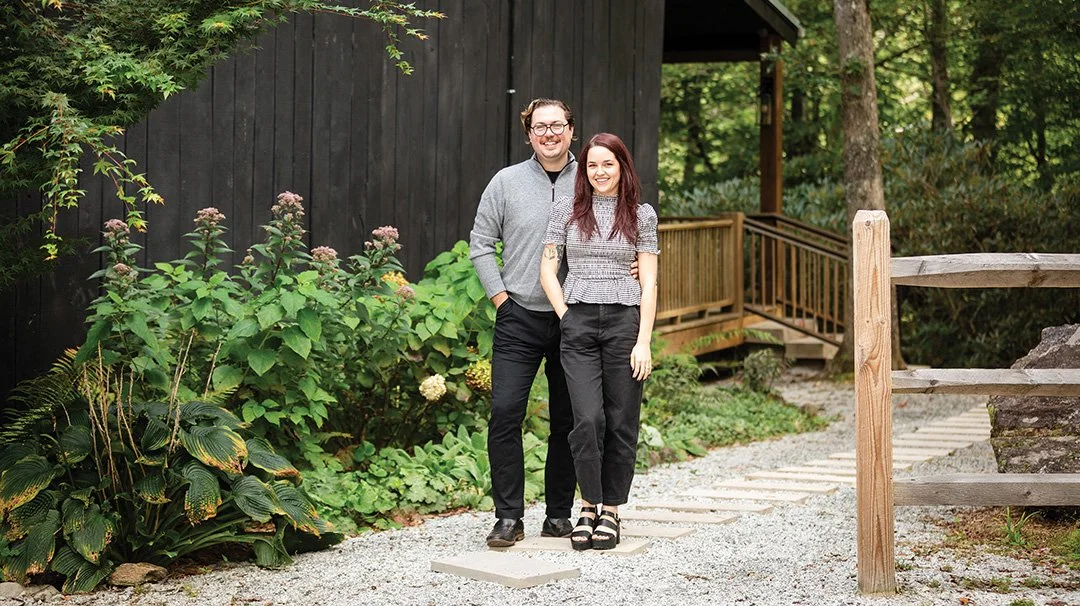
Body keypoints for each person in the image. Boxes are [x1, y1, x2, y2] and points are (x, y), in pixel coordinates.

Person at [539, 132, 659, 551]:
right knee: (587, 419)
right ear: (584, 171)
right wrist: (567, 316)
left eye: (608, 164)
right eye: (592, 165)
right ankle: (587, 504)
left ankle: (610, 510)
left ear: (622, 167)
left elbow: (649, 280)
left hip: (625, 323)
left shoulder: (641, 215)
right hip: (580, 325)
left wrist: (644, 340)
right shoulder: (567, 212)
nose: (600, 172)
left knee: (621, 420)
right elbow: (548, 270)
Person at [469, 98, 580, 547]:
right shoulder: (506, 181)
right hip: (519, 317)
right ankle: (508, 517)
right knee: (504, 414)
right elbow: (480, 243)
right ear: (528, 133)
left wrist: (633, 266)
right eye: (540, 127)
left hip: (575, 317)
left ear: (571, 130)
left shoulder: (591, 178)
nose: (549, 134)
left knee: (568, 420)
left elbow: (623, 229)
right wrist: (500, 298)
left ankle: (558, 514)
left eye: (557, 125)